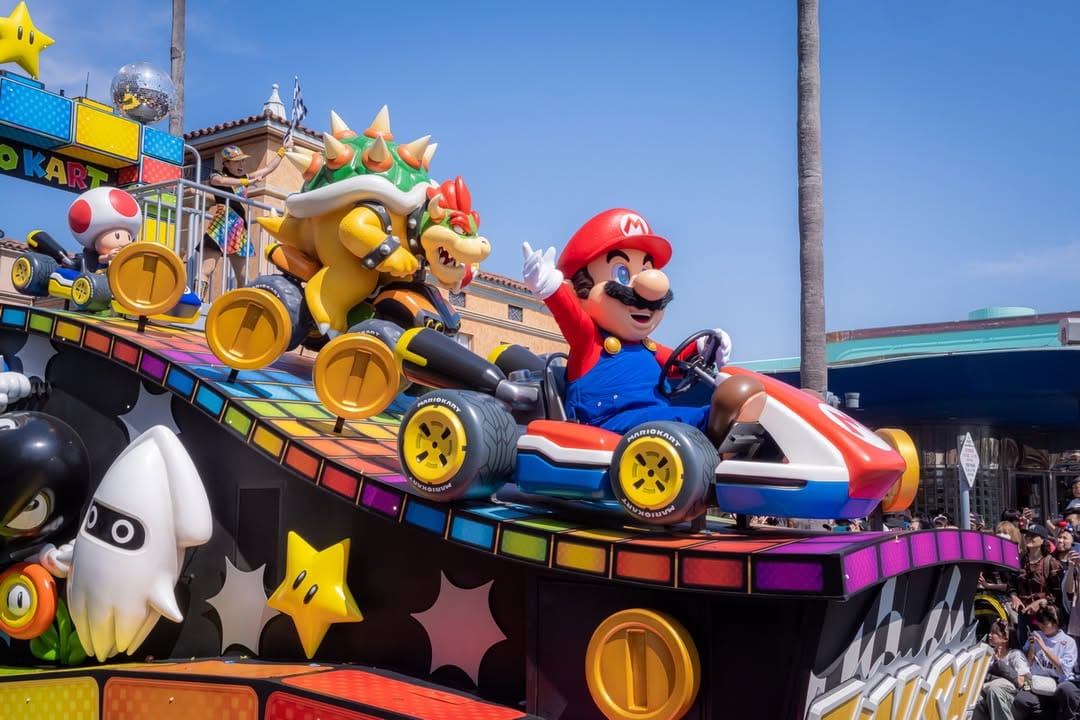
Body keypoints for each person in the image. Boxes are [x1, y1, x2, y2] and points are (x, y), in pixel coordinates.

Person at [520, 209, 765, 446]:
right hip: (609, 423)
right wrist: (550, 288)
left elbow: (677, 363)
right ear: (580, 289)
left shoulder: (646, 347)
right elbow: (570, 316)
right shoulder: (590, 340)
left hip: (653, 422)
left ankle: (751, 440)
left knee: (685, 417)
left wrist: (704, 347)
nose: (649, 290)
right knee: (698, 417)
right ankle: (723, 436)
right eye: (622, 274)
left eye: (646, 270)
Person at [200, 142, 290, 299]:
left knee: (242, 276)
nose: (241, 165)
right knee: (207, 269)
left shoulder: (245, 178)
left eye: (242, 161)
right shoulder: (217, 174)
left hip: (238, 227)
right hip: (221, 224)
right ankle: (197, 301)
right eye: (236, 162)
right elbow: (219, 182)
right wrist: (246, 182)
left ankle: (241, 305)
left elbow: (268, 169)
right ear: (226, 163)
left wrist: (283, 151)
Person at [1012, 605, 1076, 717]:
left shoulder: (1068, 641)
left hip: (1058, 682)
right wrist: (1032, 646)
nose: (1040, 625)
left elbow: (1064, 669)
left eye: (1044, 623)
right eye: (1039, 622)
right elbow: (1028, 664)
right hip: (1037, 681)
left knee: (1067, 691)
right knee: (1021, 699)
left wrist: (1044, 648)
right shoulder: (1035, 635)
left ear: (1056, 622)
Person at [1009, 523, 1064, 646]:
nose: (1028, 537)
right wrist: (1014, 597)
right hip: (1023, 616)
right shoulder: (1018, 560)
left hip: (1044, 617)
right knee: (1024, 648)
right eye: (1027, 535)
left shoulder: (1051, 562)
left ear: (1043, 540)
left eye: (1033, 535)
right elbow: (1011, 584)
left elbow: (1058, 593)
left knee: (1043, 650)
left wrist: (1041, 602)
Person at [973, 619, 1029, 720]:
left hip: (1013, 701)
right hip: (990, 698)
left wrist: (1000, 664)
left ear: (1005, 638)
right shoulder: (989, 655)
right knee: (975, 697)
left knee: (994, 690)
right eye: (990, 632)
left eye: (994, 633)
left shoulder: (1015, 655)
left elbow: (1023, 682)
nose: (989, 635)